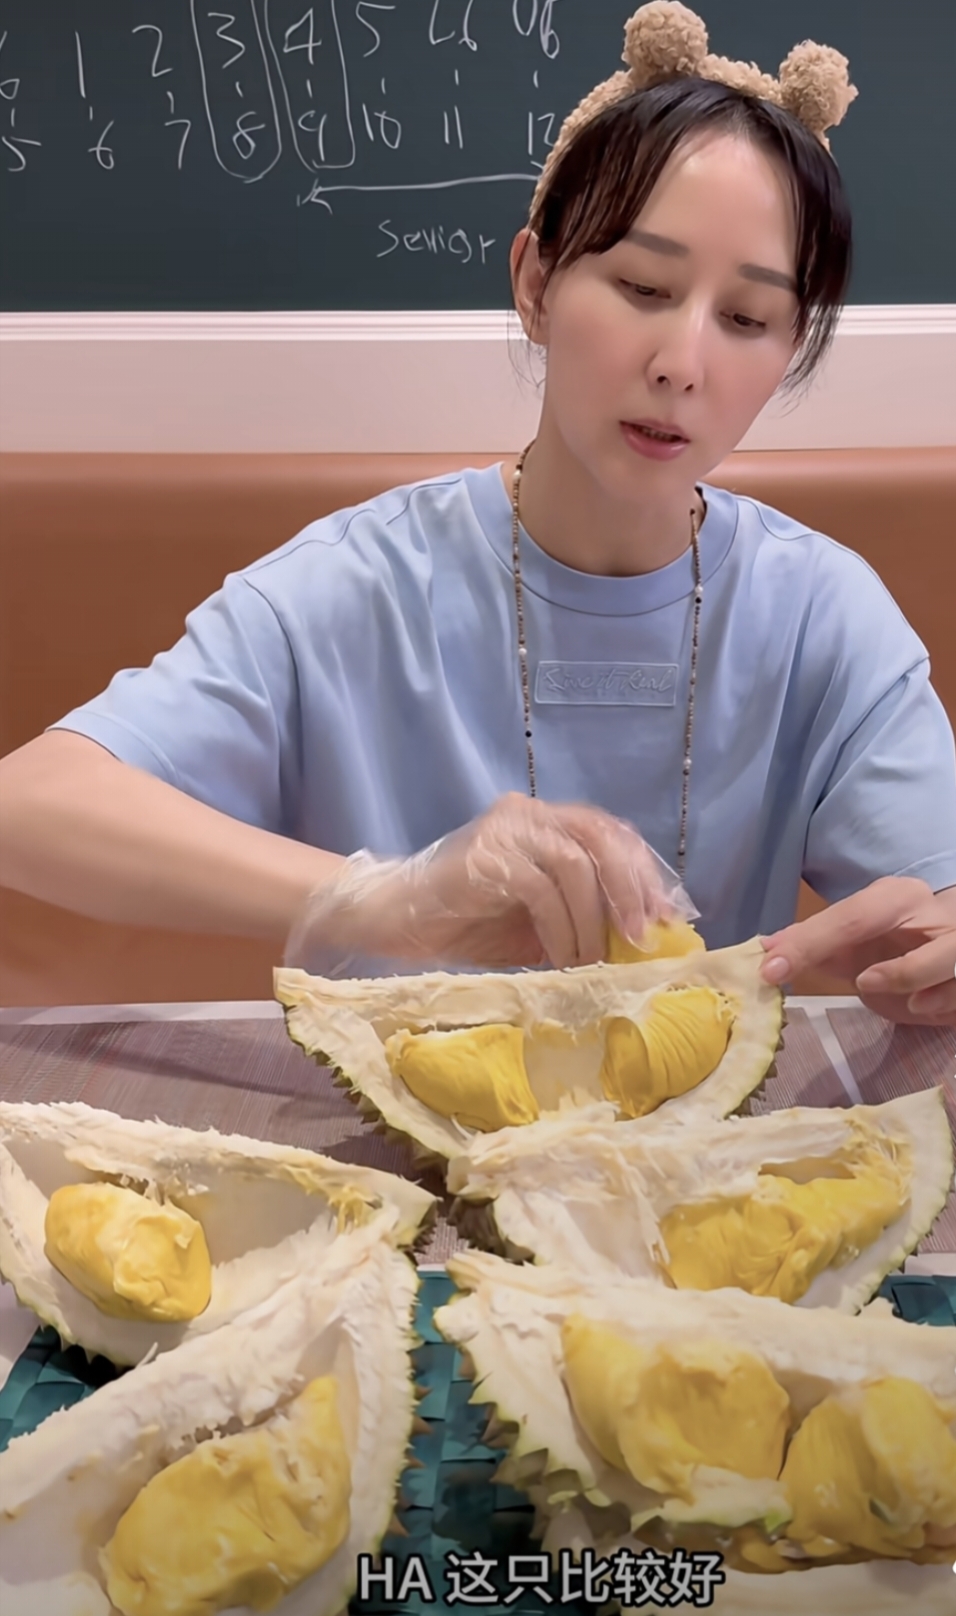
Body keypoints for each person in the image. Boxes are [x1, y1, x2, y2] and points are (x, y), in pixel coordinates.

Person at [1, 3, 954, 1023]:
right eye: (641, 285)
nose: (682, 362)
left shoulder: (817, 612)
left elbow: (933, 900)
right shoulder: (357, 587)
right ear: (536, 284)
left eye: (746, 318)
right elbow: (31, 806)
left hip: (701, 1119)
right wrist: (389, 898)